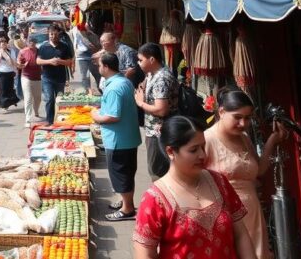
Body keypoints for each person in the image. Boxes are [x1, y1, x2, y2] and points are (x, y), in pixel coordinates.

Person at [133, 116, 256, 259]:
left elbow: (241, 234)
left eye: (203, 147)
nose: (202, 155)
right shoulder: (155, 199)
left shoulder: (219, 182)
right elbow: (145, 254)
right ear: (171, 152)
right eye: (193, 150)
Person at [205, 89, 287, 259]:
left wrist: (272, 140)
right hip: (225, 218)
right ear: (221, 112)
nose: (243, 123)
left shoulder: (244, 137)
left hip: (253, 213)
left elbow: (259, 169)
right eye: (237, 117)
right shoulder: (207, 139)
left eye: (248, 118)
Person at [92, 53, 143, 222]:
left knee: (121, 174)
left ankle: (127, 209)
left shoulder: (114, 88)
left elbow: (113, 116)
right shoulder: (124, 82)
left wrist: (96, 116)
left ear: (106, 67)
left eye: (100, 65)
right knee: (126, 173)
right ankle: (125, 201)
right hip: (127, 137)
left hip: (118, 139)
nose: (98, 68)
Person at [134, 42, 177, 180]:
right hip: (153, 130)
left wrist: (140, 103)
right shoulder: (152, 73)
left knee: (158, 172)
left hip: (159, 131)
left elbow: (161, 110)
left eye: (141, 60)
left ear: (152, 59)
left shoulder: (161, 79)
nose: (138, 63)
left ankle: (161, 200)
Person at [36, 23, 73, 126]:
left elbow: (69, 61)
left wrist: (60, 61)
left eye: (55, 34)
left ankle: (59, 119)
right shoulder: (43, 47)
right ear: (48, 34)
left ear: (59, 34)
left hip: (60, 78)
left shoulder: (64, 46)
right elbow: (38, 61)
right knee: (49, 99)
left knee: (59, 99)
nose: (53, 36)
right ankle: (49, 119)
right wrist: (50, 61)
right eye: (51, 34)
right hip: (47, 77)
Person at [17, 38, 41, 127]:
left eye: (33, 42)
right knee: (28, 98)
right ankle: (28, 119)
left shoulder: (39, 51)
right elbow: (18, 63)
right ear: (27, 43)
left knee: (38, 98)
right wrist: (20, 65)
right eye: (30, 42)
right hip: (26, 77)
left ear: (36, 43)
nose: (32, 44)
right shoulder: (23, 52)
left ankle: (36, 111)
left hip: (37, 77)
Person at [0, 36, 20, 111]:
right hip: (2, 73)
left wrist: (16, 71)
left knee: (9, 89)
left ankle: (10, 102)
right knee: (2, 91)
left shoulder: (11, 51)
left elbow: (13, 62)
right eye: (0, 43)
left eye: (4, 42)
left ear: (6, 43)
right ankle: (4, 106)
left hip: (10, 73)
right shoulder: (0, 53)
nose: (2, 44)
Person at [70, 24, 99, 94]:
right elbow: (73, 45)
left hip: (92, 55)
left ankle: (99, 88)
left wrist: (89, 34)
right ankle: (87, 91)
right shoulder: (74, 32)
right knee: (84, 75)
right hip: (81, 56)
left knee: (96, 74)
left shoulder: (92, 34)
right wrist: (73, 60)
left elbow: (97, 44)